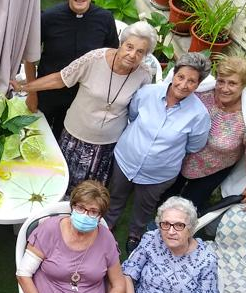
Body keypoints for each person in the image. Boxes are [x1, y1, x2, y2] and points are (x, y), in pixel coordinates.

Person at [14, 21, 155, 193]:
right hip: (75, 137)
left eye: (140, 51)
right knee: (58, 184)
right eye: (129, 47)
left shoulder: (144, 75)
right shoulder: (94, 59)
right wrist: (26, 87)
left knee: (88, 193)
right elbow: (61, 78)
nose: (132, 55)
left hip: (107, 145)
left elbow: (139, 109)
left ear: (145, 55)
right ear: (121, 43)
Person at [104, 52, 212, 254]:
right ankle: (108, 225)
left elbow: (194, 146)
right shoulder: (148, 93)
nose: (184, 84)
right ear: (174, 74)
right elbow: (133, 115)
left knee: (145, 206)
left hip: (159, 174)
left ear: (198, 85)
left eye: (192, 81)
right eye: (181, 77)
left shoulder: (199, 115)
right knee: (116, 195)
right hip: (125, 159)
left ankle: (135, 234)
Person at [16, 181, 125, 293]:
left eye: (93, 211)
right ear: (73, 206)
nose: (85, 215)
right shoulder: (49, 230)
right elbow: (23, 274)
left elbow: (119, 284)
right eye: (81, 208)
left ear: (100, 216)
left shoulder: (106, 239)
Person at [22, 0, 119, 139]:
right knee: (36, 137)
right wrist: (32, 93)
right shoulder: (49, 17)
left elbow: (112, 58)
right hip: (47, 93)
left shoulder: (105, 19)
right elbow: (30, 58)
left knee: (66, 141)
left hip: (83, 99)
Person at [165, 56, 246, 215]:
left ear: (244, 85)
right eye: (221, 81)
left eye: (232, 83)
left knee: (189, 207)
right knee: (167, 192)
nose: (224, 88)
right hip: (182, 156)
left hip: (214, 168)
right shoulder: (203, 94)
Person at [122, 197, 220, 293]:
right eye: (165, 224)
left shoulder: (206, 259)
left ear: (191, 228)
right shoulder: (151, 239)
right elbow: (127, 275)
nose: (171, 231)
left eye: (179, 225)